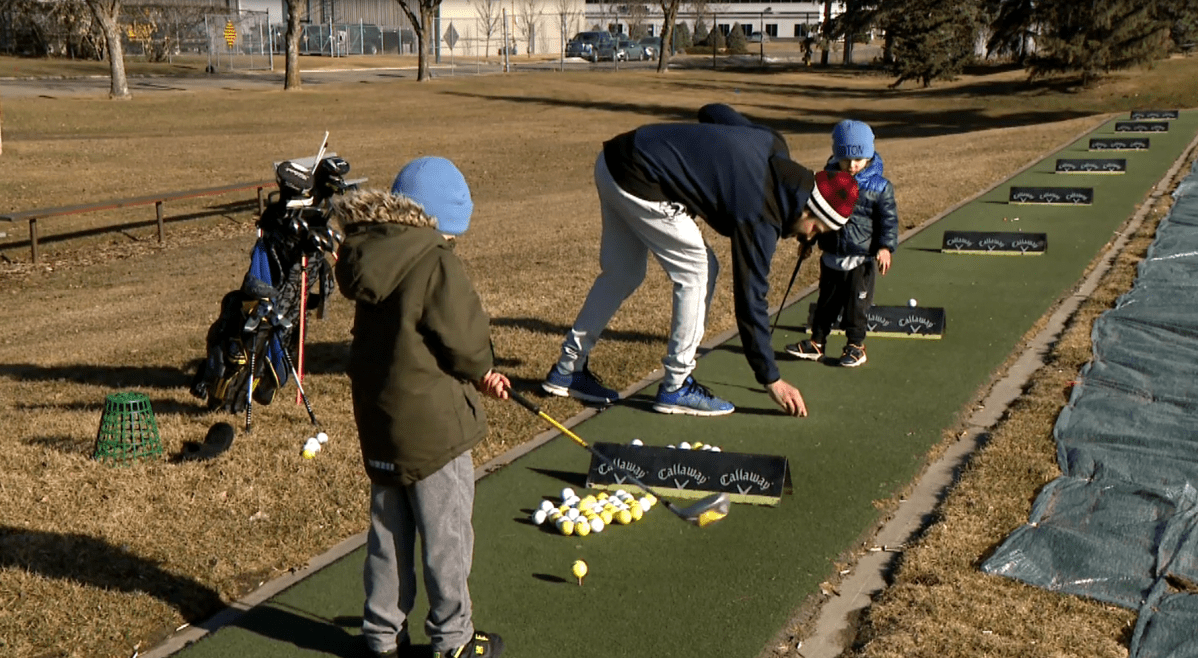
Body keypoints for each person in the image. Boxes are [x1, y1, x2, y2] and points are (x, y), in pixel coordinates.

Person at [542, 103, 859, 417]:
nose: (810, 237)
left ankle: (568, 369)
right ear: (807, 209)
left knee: (622, 273)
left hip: (616, 158)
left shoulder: (775, 145)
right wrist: (771, 379)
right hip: (640, 179)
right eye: (815, 229)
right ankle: (676, 386)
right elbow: (751, 300)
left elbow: (713, 111)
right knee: (700, 270)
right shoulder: (761, 214)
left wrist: (703, 167)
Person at [333, 156, 508, 658]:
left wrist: (477, 372)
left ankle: (381, 638)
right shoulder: (435, 259)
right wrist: (482, 367)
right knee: (446, 538)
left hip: (382, 426)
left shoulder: (370, 251)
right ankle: (453, 640)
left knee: (388, 536)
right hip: (435, 435)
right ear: (440, 220)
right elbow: (466, 341)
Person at [785, 119, 899, 368]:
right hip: (832, 254)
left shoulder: (879, 187)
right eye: (846, 159)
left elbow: (887, 221)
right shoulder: (825, 182)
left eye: (859, 159)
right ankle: (817, 342)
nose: (852, 165)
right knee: (826, 302)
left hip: (861, 259)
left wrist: (885, 247)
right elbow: (814, 215)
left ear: (868, 156)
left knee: (856, 306)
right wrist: (808, 241)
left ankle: (856, 346)